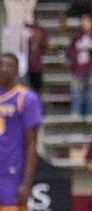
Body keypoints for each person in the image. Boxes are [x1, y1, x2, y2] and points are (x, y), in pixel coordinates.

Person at [0, 53, 41, 211]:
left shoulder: (27, 98)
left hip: (12, 171)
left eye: (9, 66)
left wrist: (26, 183)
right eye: (1, 65)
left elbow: (32, 144)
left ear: (17, 71)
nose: (3, 69)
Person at [67, 12, 92, 116]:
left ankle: (90, 114)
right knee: (76, 91)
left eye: (87, 21)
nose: (85, 24)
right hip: (78, 69)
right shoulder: (76, 36)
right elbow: (71, 52)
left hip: (91, 69)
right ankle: (76, 112)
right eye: (83, 21)